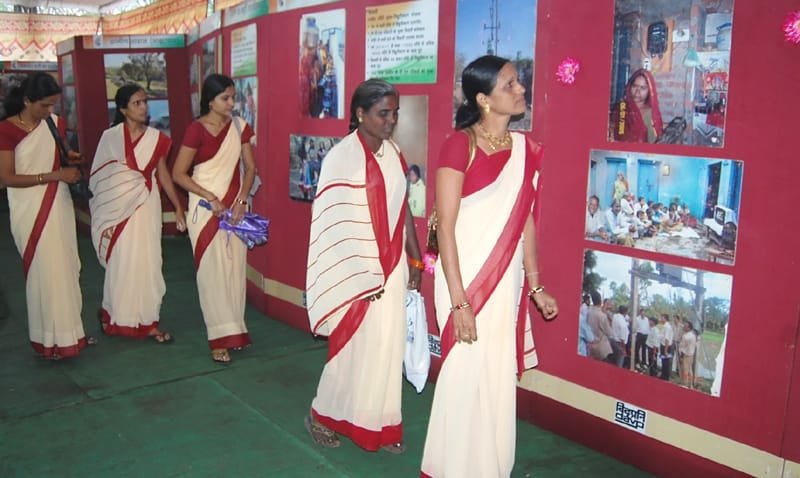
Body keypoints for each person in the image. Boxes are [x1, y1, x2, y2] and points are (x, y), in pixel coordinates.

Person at [420, 55, 558, 478]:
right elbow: (445, 228)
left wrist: (536, 286)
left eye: (518, 82)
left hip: (506, 279)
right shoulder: (459, 145)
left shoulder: (523, 150)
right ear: (483, 99)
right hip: (463, 279)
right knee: (464, 374)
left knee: (497, 373)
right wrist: (459, 301)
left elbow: (525, 219)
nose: (521, 90)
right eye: (509, 85)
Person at [304, 79, 423, 454]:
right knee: (352, 349)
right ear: (360, 114)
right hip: (355, 275)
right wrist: (361, 273)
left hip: (392, 269)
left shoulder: (394, 154)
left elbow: (403, 209)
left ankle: (378, 425)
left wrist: (415, 258)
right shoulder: (340, 159)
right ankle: (322, 415)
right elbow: (333, 225)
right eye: (382, 113)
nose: (391, 121)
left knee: (386, 348)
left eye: (395, 113)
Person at [0, 72, 92, 359]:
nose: (49, 110)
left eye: (53, 105)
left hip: (58, 204)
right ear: (27, 101)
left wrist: (70, 158)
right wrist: (54, 175)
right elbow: (5, 178)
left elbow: (60, 153)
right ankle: (48, 340)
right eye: (44, 105)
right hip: (30, 207)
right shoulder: (6, 130)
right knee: (45, 272)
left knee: (66, 267)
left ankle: (70, 334)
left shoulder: (53, 123)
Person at [89, 84, 186, 342]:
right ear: (123, 109)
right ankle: (114, 316)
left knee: (148, 261)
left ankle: (148, 321)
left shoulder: (156, 138)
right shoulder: (110, 137)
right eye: (137, 103)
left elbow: (163, 173)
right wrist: (113, 203)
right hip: (118, 209)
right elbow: (100, 177)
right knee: (121, 261)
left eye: (145, 102)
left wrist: (178, 206)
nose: (144, 107)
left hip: (146, 205)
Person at [172, 74, 256, 364]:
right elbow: (178, 174)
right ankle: (219, 338)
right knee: (212, 273)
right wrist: (210, 197)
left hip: (235, 209)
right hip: (205, 209)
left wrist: (241, 200)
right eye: (225, 98)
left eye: (233, 97)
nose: (232, 103)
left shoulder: (239, 126)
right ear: (210, 101)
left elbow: (250, 168)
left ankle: (236, 331)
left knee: (235, 270)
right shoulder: (196, 130)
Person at [610, 69, 664, 143]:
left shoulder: (651, 114)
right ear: (630, 87)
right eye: (635, 86)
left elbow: (653, 143)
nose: (637, 92)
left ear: (649, 91)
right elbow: (619, 134)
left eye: (643, 88)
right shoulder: (623, 107)